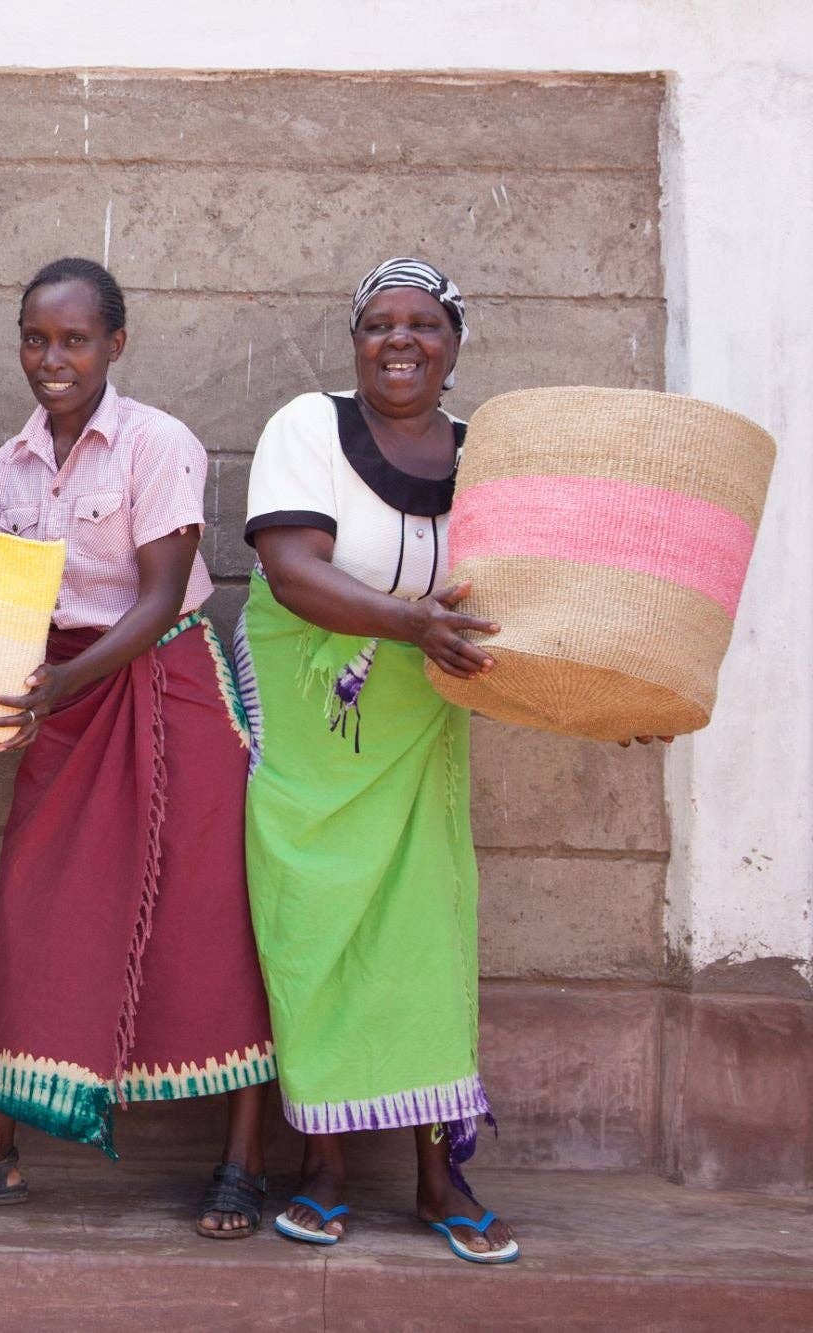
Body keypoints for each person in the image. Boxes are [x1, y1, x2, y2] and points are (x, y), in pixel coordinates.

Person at [0, 258, 276, 1237]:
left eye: (73, 340)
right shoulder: (7, 468)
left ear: (114, 345)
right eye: (34, 338)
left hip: (169, 687)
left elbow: (156, 598)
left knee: (211, 918)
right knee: (33, 913)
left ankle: (241, 1160)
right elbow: (8, 606)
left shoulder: (157, 443)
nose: (50, 360)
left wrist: (63, 679)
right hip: (60, 701)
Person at [241, 256, 524, 1261]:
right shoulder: (303, 429)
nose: (397, 341)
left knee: (424, 937)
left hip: (421, 715)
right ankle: (321, 1168)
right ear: (352, 340)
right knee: (310, 924)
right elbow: (289, 570)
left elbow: (533, 587)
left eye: (421, 325)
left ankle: (437, 1177)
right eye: (376, 324)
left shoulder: (487, 450)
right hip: (312, 714)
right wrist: (412, 623)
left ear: (452, 345)